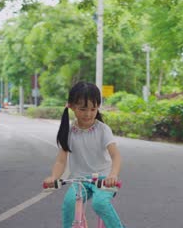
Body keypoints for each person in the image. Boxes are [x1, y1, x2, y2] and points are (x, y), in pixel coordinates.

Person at [44, 81, 124, 228]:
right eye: (83, 109)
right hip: (79, 180)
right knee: (69, 205)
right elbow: (61, 161)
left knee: (100, 204)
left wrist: (113, 175)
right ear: (72, 106)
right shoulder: (67, 132)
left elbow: (116, 156)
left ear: (98, 107)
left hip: (103, 179)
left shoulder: (103, 130)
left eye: (93, 109)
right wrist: (54, 177)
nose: (88, 114)